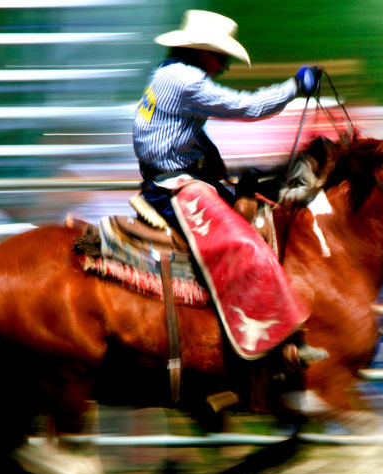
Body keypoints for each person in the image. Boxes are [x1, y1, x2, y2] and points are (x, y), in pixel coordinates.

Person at [132, 9, 326, 366]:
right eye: (220, 56)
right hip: (173, 185)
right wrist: (295, 87)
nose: (223, 65)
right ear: (204, 52)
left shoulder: (167, 73)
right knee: (244, 241)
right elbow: (246, 107)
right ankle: (268, 337)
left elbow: (183, 132)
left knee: (258, 199)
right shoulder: (187, 81)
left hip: (174, 176)